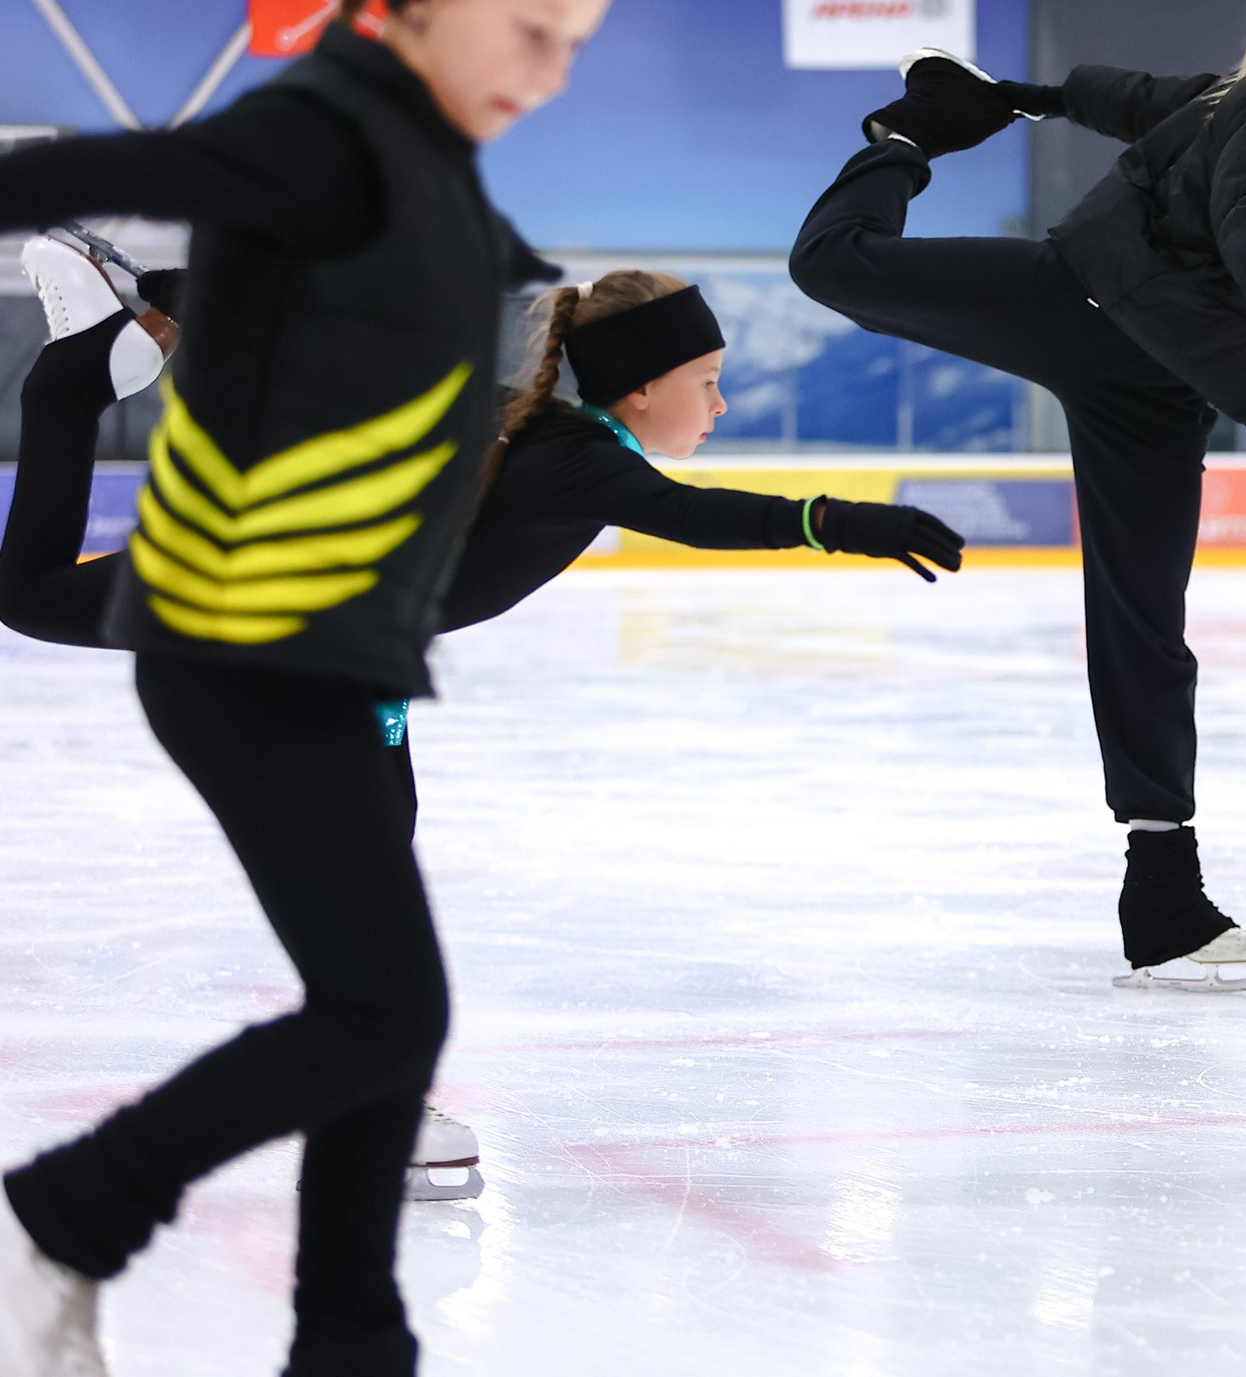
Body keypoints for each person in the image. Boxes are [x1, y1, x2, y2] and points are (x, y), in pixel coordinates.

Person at [0, 0, 622, 1377]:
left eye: (576, 40)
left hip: (332, 640)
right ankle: (61, 1217)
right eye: (533, 28)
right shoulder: (328, 131)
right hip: (245, 637)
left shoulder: (424, 164)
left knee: (380, 1007)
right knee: (381, 1011)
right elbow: (94, 172)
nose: (553, 73)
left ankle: (349, 1331)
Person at [0, 243, 966, 1208]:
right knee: (363, 892)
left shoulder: (535, 428)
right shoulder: (575, 459)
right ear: (638, 386)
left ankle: (87, 366)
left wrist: (176, 293)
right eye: (706, 380)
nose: (720, 404)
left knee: (44, 605)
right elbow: (695, 515)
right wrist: (842, 522)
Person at [788, 0, 1246, 994]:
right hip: (1091, 304)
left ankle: (1164, 896)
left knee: (1145, 624)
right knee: (832, 265)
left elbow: (1144, 100)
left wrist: (1027, 98)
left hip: (1164, 384)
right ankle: (906, 139)